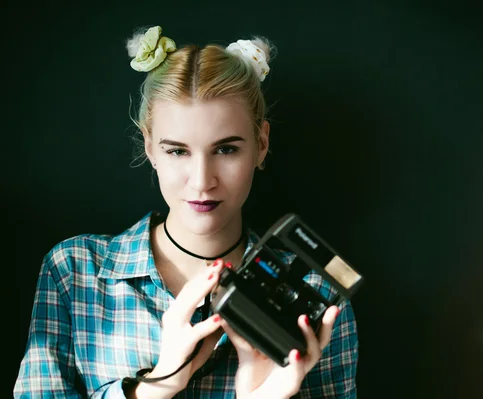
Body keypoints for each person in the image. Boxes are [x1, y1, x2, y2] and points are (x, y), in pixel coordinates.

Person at [14, 25, 359, 398]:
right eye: (177, 151)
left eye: (226, 150)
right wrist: (155, 386)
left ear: (261, 145)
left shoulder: (317, 298)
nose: (201, 181)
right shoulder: (75, 272)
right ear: (150, 149)